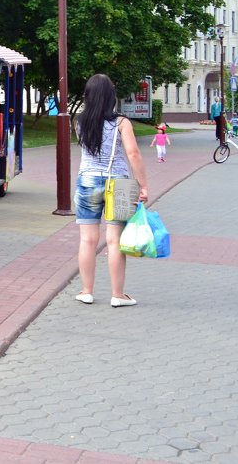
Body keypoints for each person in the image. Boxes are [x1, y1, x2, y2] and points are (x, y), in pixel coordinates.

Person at [73, 73, 150, 308]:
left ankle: (86, 291)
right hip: (119, 183)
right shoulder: (121, 123)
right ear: (111, 96)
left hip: (87, 180)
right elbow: (133, 154)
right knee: (114, 241)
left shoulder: (80, 121)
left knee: (87, 240)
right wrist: (143, 185)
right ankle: (117, 295)